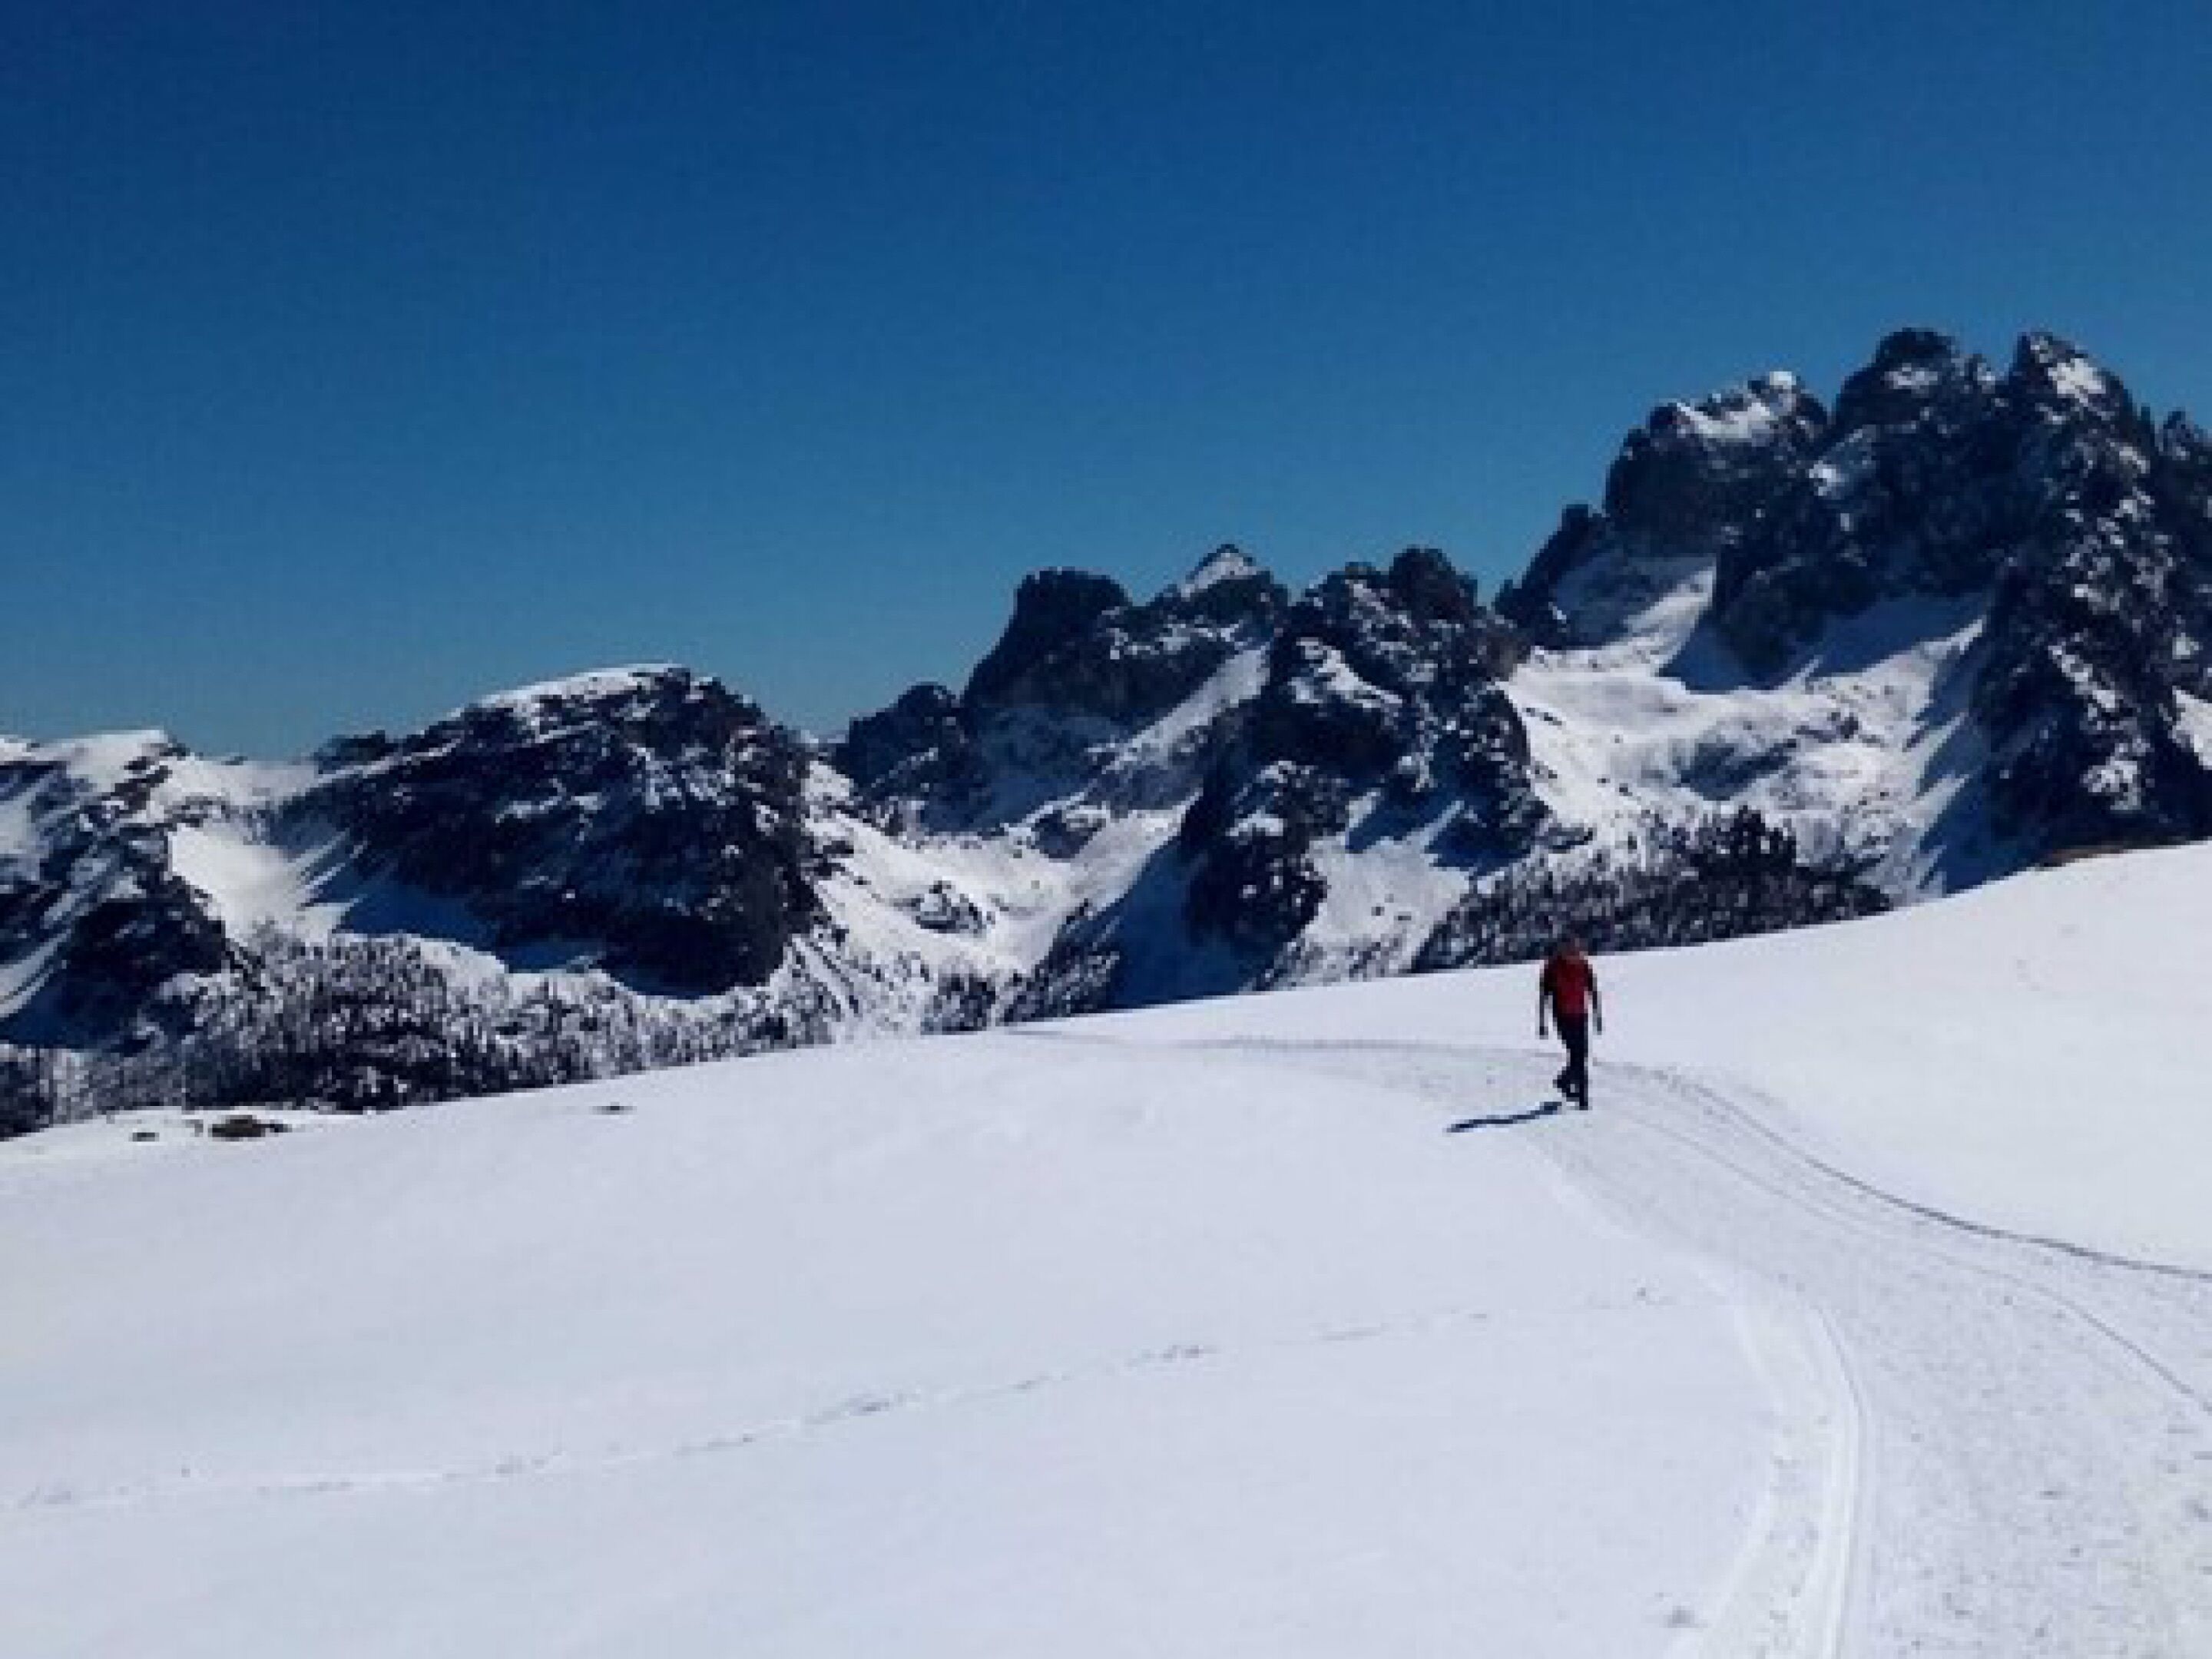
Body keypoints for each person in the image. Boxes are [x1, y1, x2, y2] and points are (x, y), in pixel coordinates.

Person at [1538, 935, 1602, 1108]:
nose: (1573, 953)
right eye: (1569, 949)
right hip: (1562, 1016)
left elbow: (1593, 990)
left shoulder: (1584, 966)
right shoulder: (1552, 967)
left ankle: (1565, 1081)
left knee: (1581, 1054)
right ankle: (1583, 1098)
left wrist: (1597, 1016)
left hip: (1581, 1015)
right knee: (1577, 1054)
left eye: (1576, 949)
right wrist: (1542, 1023)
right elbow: (1544, 996)